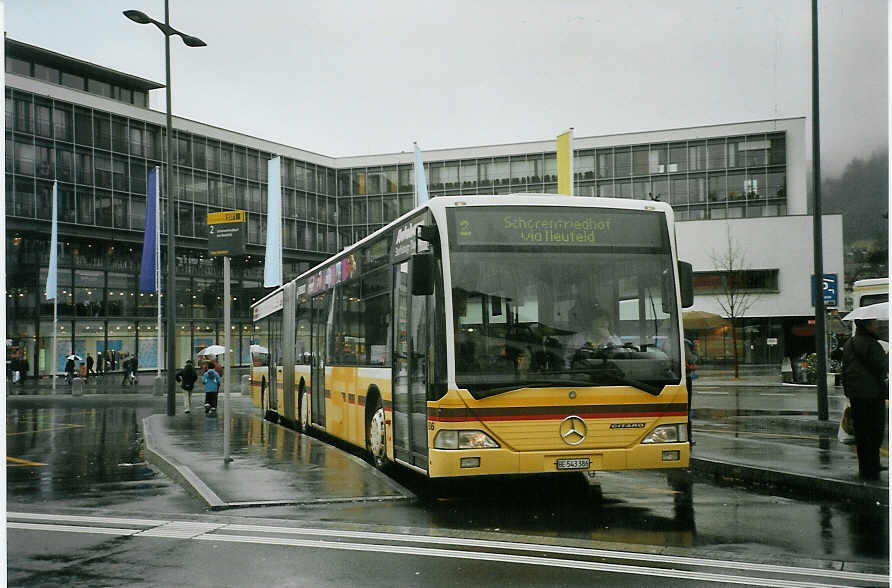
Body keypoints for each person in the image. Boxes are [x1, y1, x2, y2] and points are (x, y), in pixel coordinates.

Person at [842, 318, 889, 480]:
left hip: (856, 394)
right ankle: (873, 465)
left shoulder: (850, 343)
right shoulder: (872, 344)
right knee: (875, 430)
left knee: (862, 432)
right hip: (873, 393)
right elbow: (882, 367)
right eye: (874, 322)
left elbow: (845, 367)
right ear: (868, 325)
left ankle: (865, 466)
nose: (877, 325)